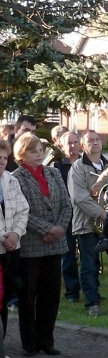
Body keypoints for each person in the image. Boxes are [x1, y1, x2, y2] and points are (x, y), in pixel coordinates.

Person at [11, 133, 72, 356]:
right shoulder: (16, 178)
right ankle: (29, 343)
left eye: (40, 150)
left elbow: (66, 204)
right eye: (33, 151)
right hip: (31, 244)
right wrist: (46, 229)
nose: (38, 154)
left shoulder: (54, 173)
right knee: (28, 296)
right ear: (22, 154)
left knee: (51, 294)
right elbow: (21, 211)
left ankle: (47, 340)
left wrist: (59, 228)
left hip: (55, 243)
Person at [66, 130, 108, 318]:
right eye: (90, 140)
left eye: (97, 139)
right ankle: (92, 303)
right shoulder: (77, 168)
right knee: (89, 265)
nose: (95, 142)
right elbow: (79, 197)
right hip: (87, 224)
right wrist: (102, 213)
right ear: (83, 146)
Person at [0, 139, 30, 336]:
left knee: (6, 295)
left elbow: (23, 210)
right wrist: (3, 237)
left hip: (12, 248)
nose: (2, 161)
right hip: (1, 245)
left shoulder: (11, 180)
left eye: (5, 158)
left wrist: (16, 234)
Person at [53, 129, 81, 305]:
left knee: (89, 255)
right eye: (69, 143)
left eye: (75, 142)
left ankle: (91, 289)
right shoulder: (56, 167)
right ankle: (72, 292)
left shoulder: (85, 163)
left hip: (84, 213)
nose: (72, 146)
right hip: (66, 214)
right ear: (62, 146)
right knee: (68, 254)